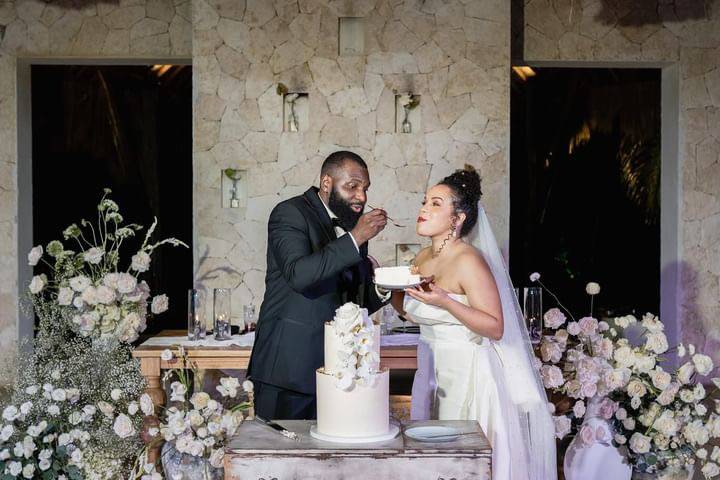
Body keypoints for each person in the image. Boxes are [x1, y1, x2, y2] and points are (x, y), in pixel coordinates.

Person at [391, 166, 556, 480]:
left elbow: (495, 326)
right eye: (424, 202)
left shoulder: (469, 259)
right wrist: (388, 288)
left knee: (463, 462)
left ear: (458, 218)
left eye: (436, 203)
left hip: (469, 374)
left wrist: (446, 301)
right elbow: (412, 312)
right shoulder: (422, 258)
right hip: (433, 372)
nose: (423, 209)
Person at [247, 151, 390, 420]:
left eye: (365, 188)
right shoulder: (289, 213)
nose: (362, 196)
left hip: (338, 372)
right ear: (327, 183)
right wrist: (355, 238)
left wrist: (380, 287)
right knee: (281, 458)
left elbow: (351, 302)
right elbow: (299, 275)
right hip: (288, 370)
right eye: (353, 186)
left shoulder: (352, 227)